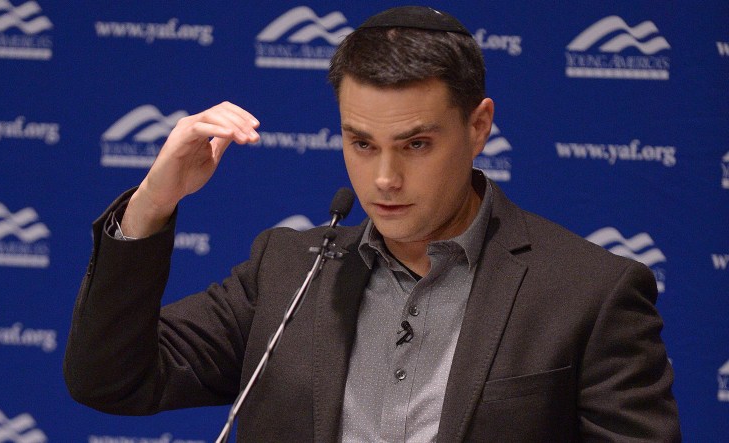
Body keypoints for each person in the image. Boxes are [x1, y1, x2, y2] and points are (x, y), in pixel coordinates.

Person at [64, 6, 680, 442]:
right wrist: (153, 201)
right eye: (361, 143)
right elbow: (111, 380)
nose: (383, 179)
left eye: (415, 145)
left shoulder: (589, 293)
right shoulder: (288, 269)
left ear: (478, 127)